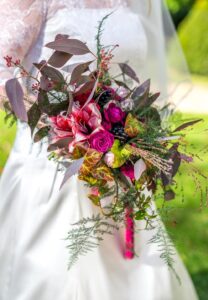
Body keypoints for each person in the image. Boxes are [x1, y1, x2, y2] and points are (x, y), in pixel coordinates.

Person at [0, 1, 198, 299]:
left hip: (119, 162)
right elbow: (3, 71)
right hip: (52, 165)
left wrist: (134, 133)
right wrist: (63, 126)